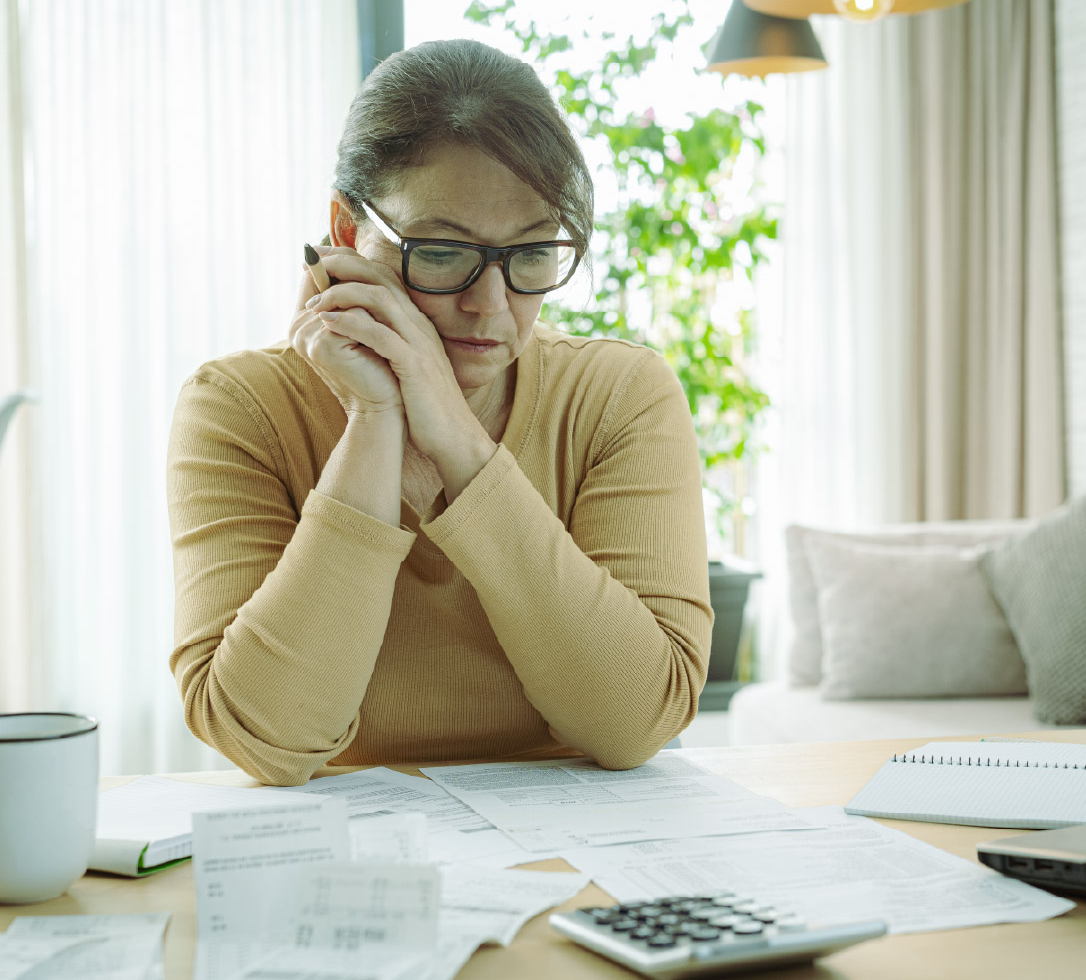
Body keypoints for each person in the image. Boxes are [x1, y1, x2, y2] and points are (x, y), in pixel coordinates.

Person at [166, 39, 712, 786]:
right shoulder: (238, 409)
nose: (490, 306)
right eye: (443, 252)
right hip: (347, 854)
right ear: (346, 230)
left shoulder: (618, 394)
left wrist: (458, 442)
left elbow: (636, 721)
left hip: (576, 843)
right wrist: (374, 422)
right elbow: (268, 739)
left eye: (531, 252)